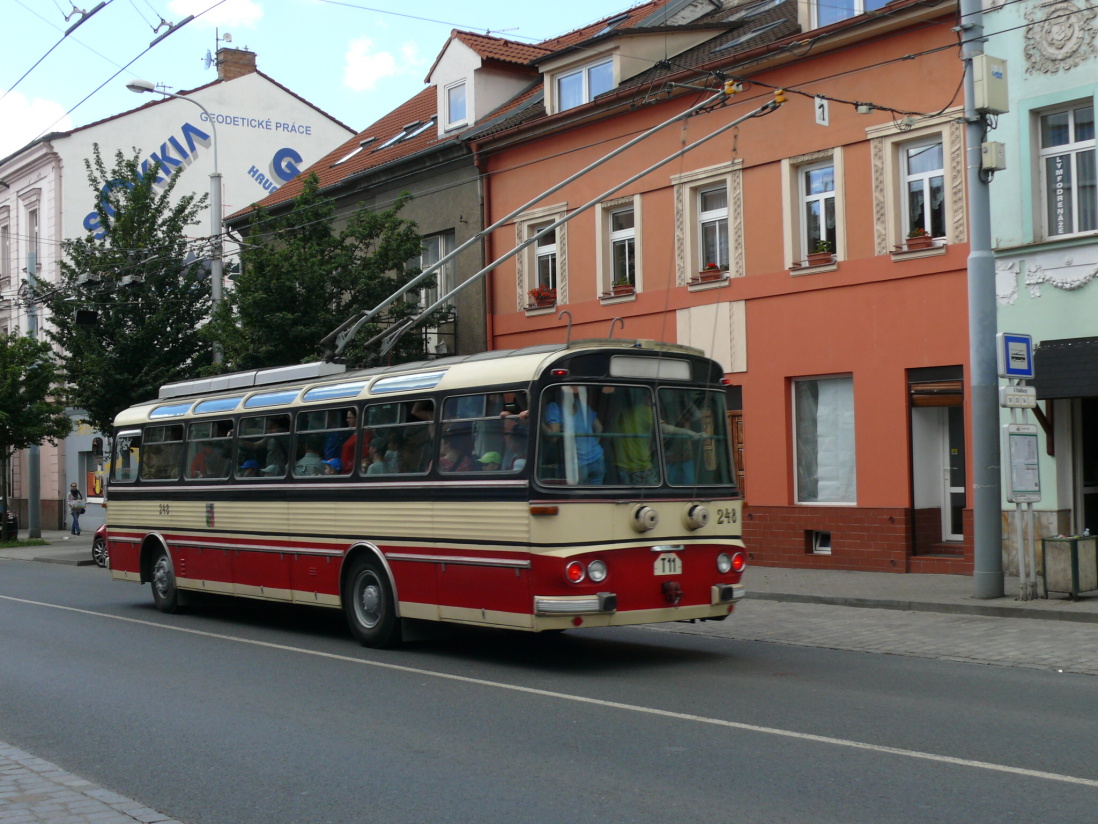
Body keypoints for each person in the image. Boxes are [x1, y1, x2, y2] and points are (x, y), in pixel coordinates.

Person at [544, 386, 605, 484]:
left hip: (578, 463)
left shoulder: (554, 407)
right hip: (598, 457)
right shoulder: (581, 405)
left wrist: (536, 420)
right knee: (596, 497)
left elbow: (553, 436)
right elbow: (599, 428)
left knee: (579, 497)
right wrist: (591, 447)